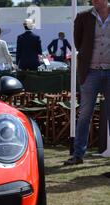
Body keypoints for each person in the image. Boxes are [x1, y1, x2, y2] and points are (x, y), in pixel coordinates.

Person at [64, 0, 110, 165]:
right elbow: (78, 42)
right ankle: (78, 155)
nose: (95, 1)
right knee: (84, 115)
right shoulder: (83, 17)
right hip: (90, 72)